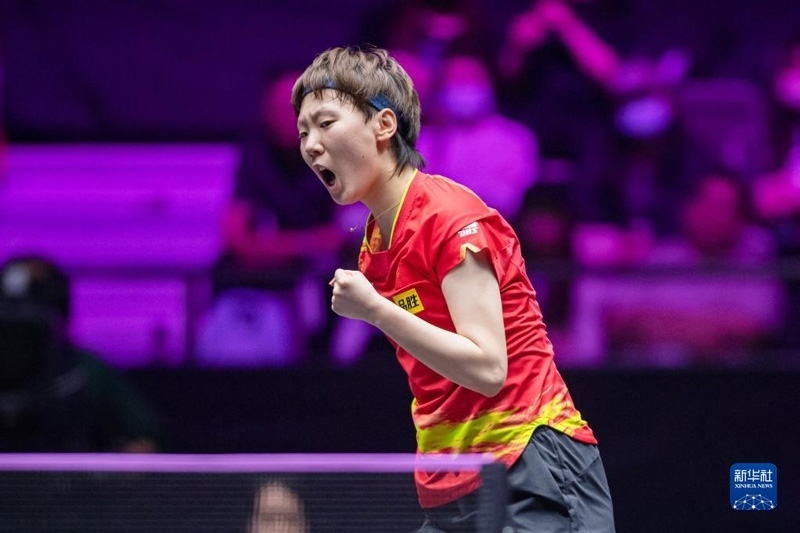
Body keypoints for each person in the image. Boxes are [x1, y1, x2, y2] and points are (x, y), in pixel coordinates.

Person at [292, 45, 614, 532]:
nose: (312, 145)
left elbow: (488, 368)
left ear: (383, 125)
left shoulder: (448, 218)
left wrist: (376, 310)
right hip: (454, 477)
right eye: (303, 132)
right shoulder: (375, 245)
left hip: (527, 462)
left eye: (325, 123)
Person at [196, 66, 347, 367]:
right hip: (261, 286)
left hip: (324, 288)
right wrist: (306, 243)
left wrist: (277, 246)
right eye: (278, 107)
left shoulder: (340, 155)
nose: (288, 116)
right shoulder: (255, 154)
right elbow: (238, 240)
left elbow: (345, 235)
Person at [0, 255, 162, 452]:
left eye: (31, 329)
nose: (18, 340)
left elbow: (146, 439)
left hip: (66, 469)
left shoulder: (85, 372)